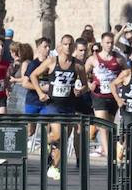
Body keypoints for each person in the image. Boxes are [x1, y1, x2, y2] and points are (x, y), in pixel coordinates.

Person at [29, 34, 88, 181]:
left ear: (74, 47)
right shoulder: (51, 62)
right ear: (60, 46)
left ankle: (54, 167)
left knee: (63, 140)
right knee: (57, 135)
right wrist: (40, 92)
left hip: (68, 105)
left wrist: (81, 90)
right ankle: (46, 142)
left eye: (70, 44)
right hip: (53, 105)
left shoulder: (78, 65)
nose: (68, 47)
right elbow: (33, 76)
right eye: (65, 44)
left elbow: (86, 84)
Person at [86, 31, 126, 156]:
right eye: (107, 43)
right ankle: (109, 155)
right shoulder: (93, 59)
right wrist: (88, 84)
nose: (109, 45)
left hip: (113, 96)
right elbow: (81, 74)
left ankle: (111, 151)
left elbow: (127, 74)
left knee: (109, 126)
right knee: (102, 125)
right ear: (102, 43)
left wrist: (121, 83)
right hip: (98, 96)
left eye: (111, 43)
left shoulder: (119, 59)